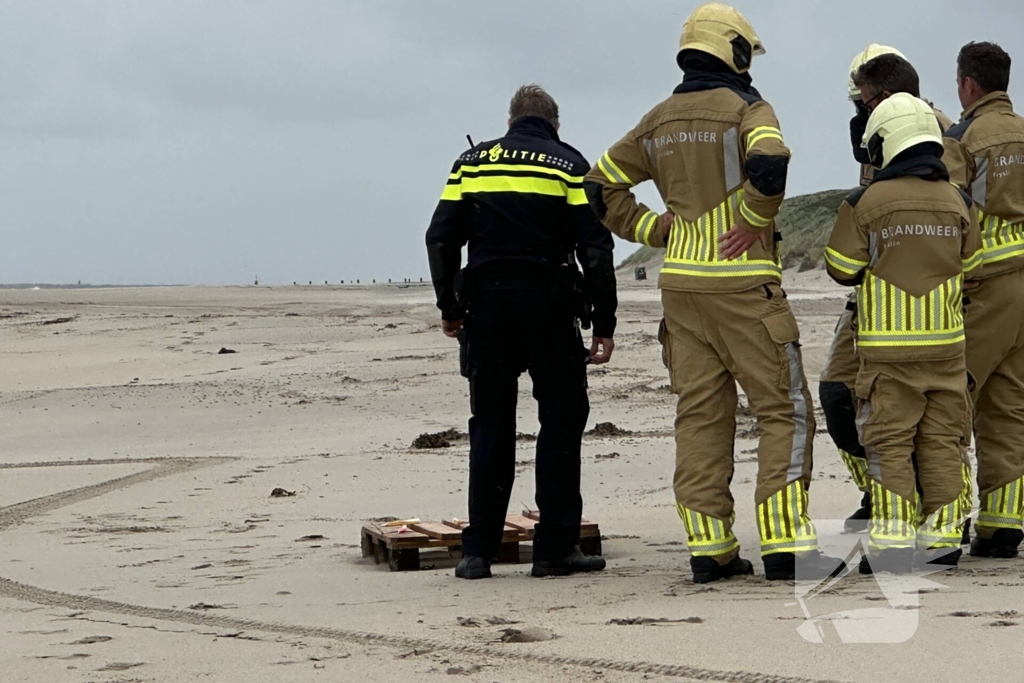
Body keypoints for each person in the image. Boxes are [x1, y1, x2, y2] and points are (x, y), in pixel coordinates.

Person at [584, 2, 843, 583]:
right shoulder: (749, 108)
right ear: (737, 51)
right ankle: (784, 546)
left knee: (700, 416)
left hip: (681, 291)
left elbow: (599, 186)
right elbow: (771, 159)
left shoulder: (655, 120)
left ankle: (710, 549)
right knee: (786, 411)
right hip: (745, 286)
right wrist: (754, 215)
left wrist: (656, 230)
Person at [425, 84, 618, 580]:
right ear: (556, 123)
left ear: (510, 121)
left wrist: (449, 306)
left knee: (489, 426)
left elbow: (441, 236)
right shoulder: (570, 164)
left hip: (486, 309)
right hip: (550, 309)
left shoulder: (471, 162)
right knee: (560, 421)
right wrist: (604, 322)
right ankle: (554, 548)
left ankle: (477, 553)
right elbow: (595, 249)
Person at [825, 93, 982, 573]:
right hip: (947, 352)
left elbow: (840, 267)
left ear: (883, 145)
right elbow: (972, 265)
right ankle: (943, 542)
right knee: (941, 444)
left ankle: (893, 545)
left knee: (889, 444)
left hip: (887, 355)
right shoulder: (957, 199)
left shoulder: (865, 201)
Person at [944, 42, 1024, 559]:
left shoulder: (964, 137)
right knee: (1011, 404)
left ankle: (949, 524)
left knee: (954, 401)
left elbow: (949, 210)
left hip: (986, 283)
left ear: (969, 84)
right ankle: (1003, 525)